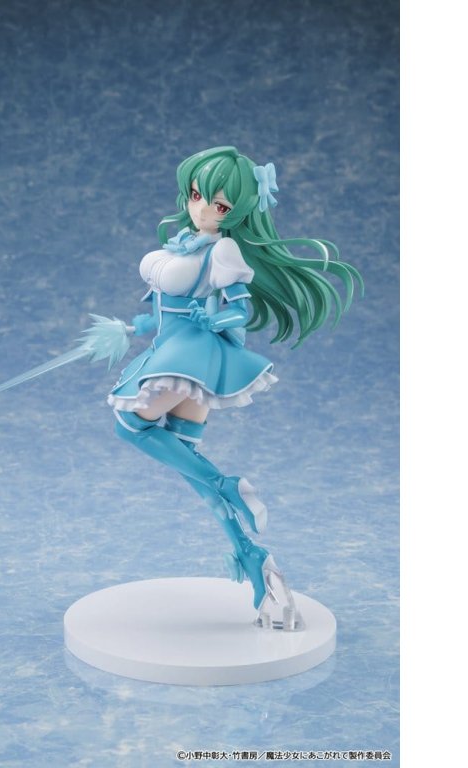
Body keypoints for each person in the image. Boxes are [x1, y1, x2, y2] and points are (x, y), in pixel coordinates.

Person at [109, 146, 362, 626]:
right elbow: (166, 305)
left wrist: (214, 317)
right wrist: (137, 325)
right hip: (170, 347)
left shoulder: (222, 249)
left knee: (130, 424)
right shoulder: (183, 242)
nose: (204, 210)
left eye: (220, 205)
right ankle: (253, 558)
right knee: (186, 458)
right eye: (197, 196)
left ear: (237, 211)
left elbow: (239, 310)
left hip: (190, 356)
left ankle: (227, 484)